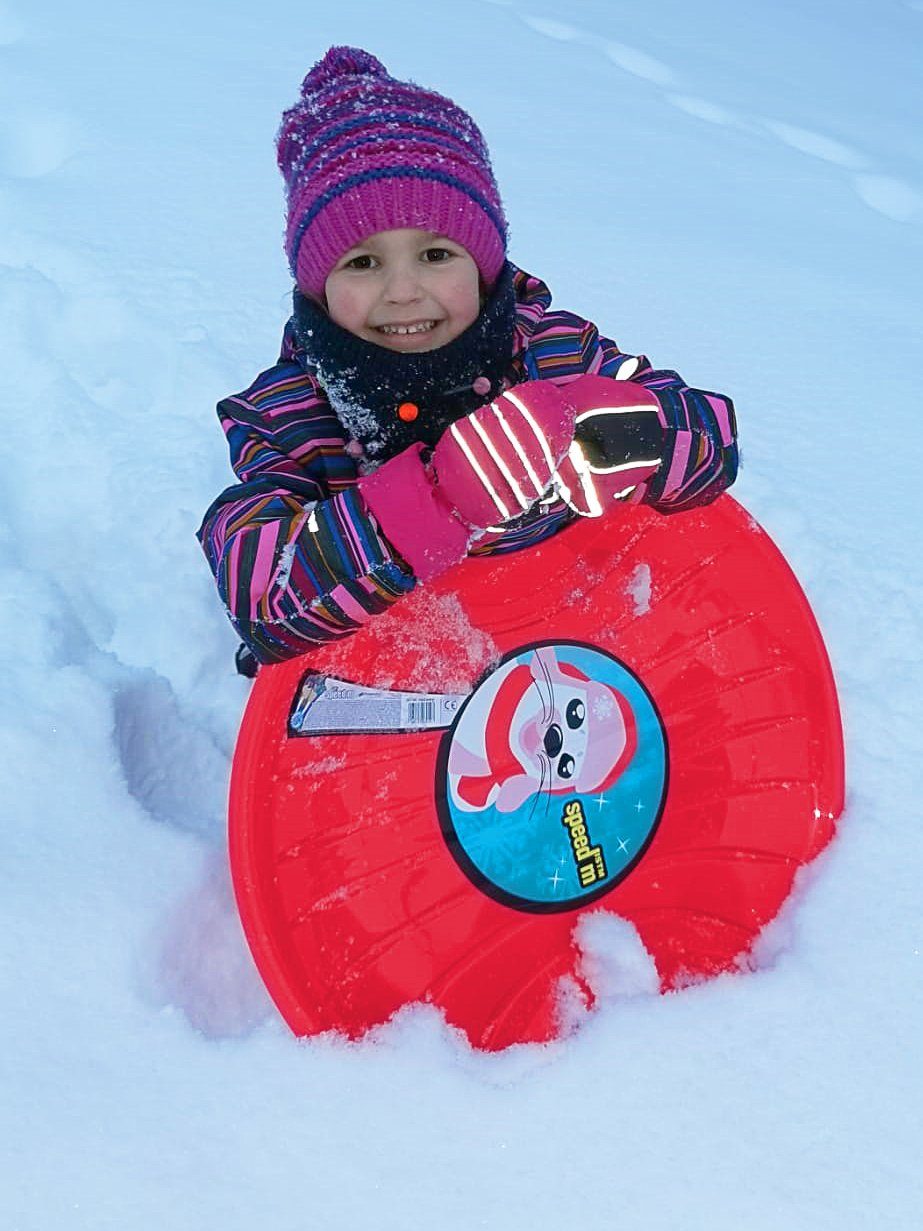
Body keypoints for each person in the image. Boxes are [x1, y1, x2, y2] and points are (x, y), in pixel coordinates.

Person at [197, 46, 739, 666]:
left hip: (570, 645)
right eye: (363, 262)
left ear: (484, 265)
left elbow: (710, 443)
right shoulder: (287, 414)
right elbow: (261, 597)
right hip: (394, 685)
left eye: (435, 255)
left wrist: (621, 433)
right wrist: (435, 501)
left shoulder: (555, 351)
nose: (403, 292)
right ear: (317, 285)